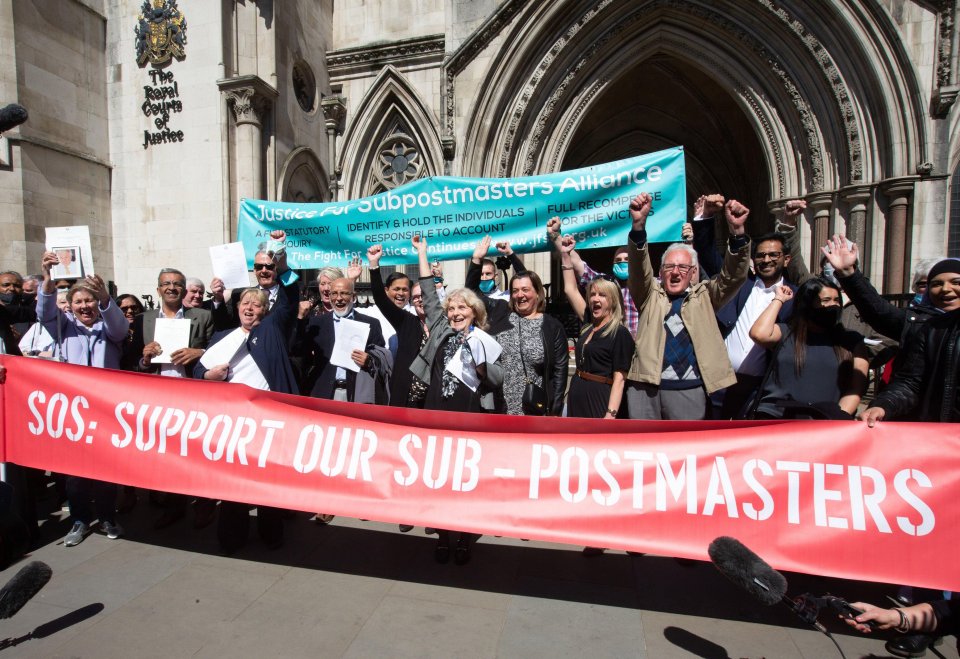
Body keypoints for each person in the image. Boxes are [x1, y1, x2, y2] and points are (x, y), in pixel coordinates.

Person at [195, 231, 299, 555]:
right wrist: (207, 374)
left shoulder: (273, 328)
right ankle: (231, 536)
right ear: (237, 306)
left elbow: (291, 294)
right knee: (233, 483)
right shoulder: (223, 336)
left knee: (267, 480)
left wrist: (277, 252)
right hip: (233, 421)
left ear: (266, 311)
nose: (251, 309)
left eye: (257, 305)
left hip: (268, 419)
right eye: (245, 304)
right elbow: (200, 369)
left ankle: (272, 533)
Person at [410, 234, 502, 564]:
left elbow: (497, 380)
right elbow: (430, 294)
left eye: (462, 307)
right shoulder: (441, 329)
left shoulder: (483, 340)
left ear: (474, 312)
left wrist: (481, 368)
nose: (455, 312)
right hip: (437, 414)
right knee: (439, 480)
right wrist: (422, 254)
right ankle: (444, 537)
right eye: (452, 308)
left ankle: (463, 538)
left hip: (468, 417)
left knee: (464, 482)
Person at [624, 193, 752, 420]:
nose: (675, 272)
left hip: (689, 391)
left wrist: (738, 234)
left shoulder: (706, 296)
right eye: (669, 267)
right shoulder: (649, 295)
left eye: (683, 267)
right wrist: (638, 225)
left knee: (685, 453)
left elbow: (733, 276)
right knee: (644, 449)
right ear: (661, 272)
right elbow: (637, 268)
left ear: (693, 272)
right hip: (646, 389)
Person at [37, 251, 128, 546]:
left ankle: (106, 517)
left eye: (89, 300)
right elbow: (44, 313)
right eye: (79, 301)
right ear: (71, 306)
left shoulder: (108, 329)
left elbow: (120, 327)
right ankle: (78, 520)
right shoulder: (63, 327)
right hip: (73, 411)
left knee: (105, 469)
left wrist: (105, 300)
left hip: (105, 410)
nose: (84, 305)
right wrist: (49, 281)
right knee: (74, 473)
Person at [131, 268, 215, 529]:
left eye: (177, 284)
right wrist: (145, 359)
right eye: (166, 284)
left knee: (198, 454)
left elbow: (218, 350)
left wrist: (199, 351)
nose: (172, 288)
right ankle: (174, 506)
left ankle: (204, 505)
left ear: (183, 289)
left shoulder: (202, 316)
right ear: (158, 289)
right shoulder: (144, 319)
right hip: (159, 398)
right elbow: (132, 363)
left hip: (193, 396)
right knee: (170, 456)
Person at [748, 278, 869, 418]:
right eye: (826, 300)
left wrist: (837, 417)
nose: (833, 305)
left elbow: (856, 388)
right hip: (776, 419)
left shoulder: (851, 341)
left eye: (837, 300)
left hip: (824, 423)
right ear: (808, 304)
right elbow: (759, 334)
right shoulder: (786, 333)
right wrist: (779, 299)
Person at [555, 232, 632, 419]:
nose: (595, 299)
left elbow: (620, 379)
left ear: (613, 301)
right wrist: (565, 255)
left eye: (602, 295)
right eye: (593, 294)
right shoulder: (589, 324)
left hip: (600, 400)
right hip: (578, 395)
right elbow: (570, 289)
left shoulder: (620, 333)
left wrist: (610, 414)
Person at [299, 277, 390, 404]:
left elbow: (381, 358)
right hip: (323, 393)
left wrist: (369, 360)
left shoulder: (371, 324)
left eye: (344, 293)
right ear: (329, 297)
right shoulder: (317, 323)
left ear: (354, 296)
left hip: (357, 394)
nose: (339, 298)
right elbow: (302, 356)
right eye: (334, 293)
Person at [548, 218, 637, 337]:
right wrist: (555, 235)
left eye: (627, 260)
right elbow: (577, 264)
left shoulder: (647, 287)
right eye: (618, 260)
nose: (622, 263)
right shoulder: (603, 284)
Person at [366, 245, 430, 409]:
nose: (420, 300)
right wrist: (374, 265)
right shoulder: (407, 322)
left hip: (434, 400)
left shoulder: (444, 325)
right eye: (416, 297)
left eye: (423, 296)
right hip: (405, 400)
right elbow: (381, 299)